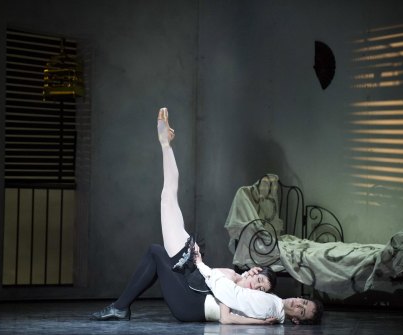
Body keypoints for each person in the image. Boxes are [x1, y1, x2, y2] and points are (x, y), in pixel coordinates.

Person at [90, 108, 323, 324]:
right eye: (303, 302)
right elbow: (216, 280)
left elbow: (227, 312)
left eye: (301, 310)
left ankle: (165, 146)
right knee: (160, 231)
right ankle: (165, 145)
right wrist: (230, 273)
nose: (258, 285)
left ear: (296, 320)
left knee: (166, 206)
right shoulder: (243, 284)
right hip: (195, 286)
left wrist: (249, 305)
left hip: (191, 303)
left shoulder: (269, 306)